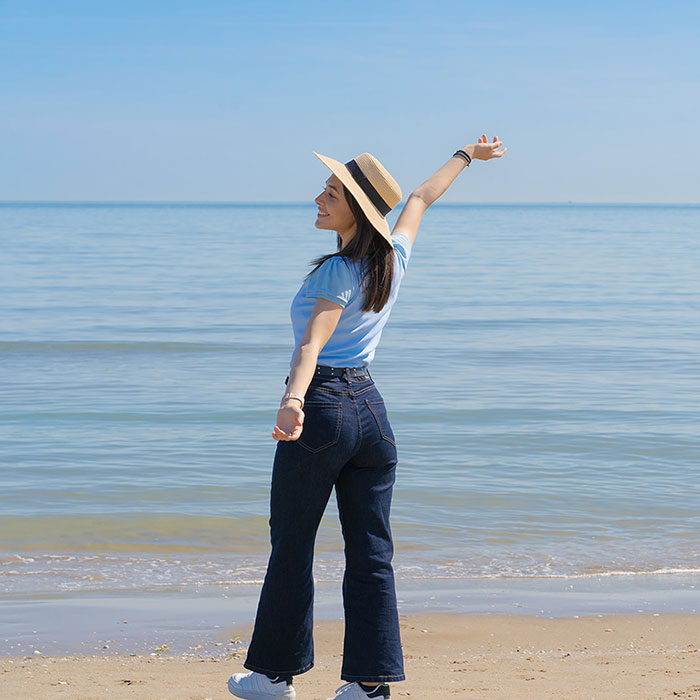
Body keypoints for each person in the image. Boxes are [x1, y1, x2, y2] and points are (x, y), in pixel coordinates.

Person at [228, 135, 507, 700]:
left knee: (293, 543)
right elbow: (421, 200)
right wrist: (465, 157)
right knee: (372, 552)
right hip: (372, 415)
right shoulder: (392, 258)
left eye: (330, 193)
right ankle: (369, 684)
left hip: (324, 408)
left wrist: (294, 401)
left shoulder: (338, 270)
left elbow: (312, 345)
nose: (318, 198)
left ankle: (274, 676)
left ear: (355, 208)